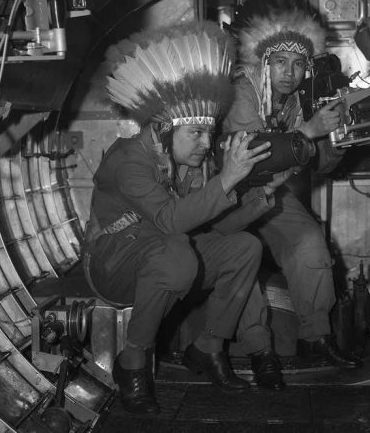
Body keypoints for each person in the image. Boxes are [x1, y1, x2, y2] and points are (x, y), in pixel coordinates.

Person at [84, 21, 289, 415]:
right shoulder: (129, 160)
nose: (206, 143)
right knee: (176, 254)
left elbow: (215, 230)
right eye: (196, 133)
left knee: (245, 247)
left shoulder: (189, 166)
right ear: (164, 129)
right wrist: (228, 177)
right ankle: (133, 364)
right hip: (112, 264)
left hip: (161, 256)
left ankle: (208, 348)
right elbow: (171, 222)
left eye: (208, 133)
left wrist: (261, 198)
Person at [222, 0, 362, 369]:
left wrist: (339, 136)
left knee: (312, 246)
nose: (289, 72)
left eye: (299, 64)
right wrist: (311, 130)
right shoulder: (241, 91)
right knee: (239, 255)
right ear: (263, 62)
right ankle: (256, 351)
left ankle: (316, 338)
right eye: (280, 62)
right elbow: (254, 155)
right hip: (223, 197)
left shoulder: (299, 99)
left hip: (271, 195)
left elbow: (325, 165)